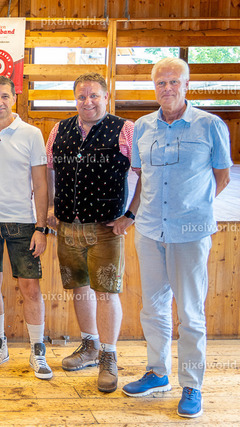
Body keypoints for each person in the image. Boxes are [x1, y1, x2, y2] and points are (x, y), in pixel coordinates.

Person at [119, 58, 232, 418]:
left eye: (173, 82)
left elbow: (222, 177)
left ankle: (192, 385)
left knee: (190, 313)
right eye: (161, 83)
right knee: (152, 308)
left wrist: (192, 208)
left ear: (187, 85)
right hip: (150, 230)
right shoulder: (142, 127)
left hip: (190, 232)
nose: (167, 88)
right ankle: (157, 373)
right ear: (154, 87)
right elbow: (142, 176)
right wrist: (134, 215)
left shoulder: (210, 125)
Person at [46, 73, 134, 393]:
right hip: (68, 227)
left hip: (106, 227)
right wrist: (50, 207)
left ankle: (109, 355)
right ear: (75, 99)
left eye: (94, 95)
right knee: (79, 288)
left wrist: (131, 215)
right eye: (82, 96)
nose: (88, 102)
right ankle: (90, 346)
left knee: (106, 292)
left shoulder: (125, 129)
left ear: (107, 97)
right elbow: (48, 170)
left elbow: (146, 174)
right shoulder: (59, 129)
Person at [0, 75, 51, 379]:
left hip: (24, 223)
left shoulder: (32, 133)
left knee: (30, 287)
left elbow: (40, 184)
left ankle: (37, 351)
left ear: (15, 98)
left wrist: (41, 228)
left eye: (5, 96)